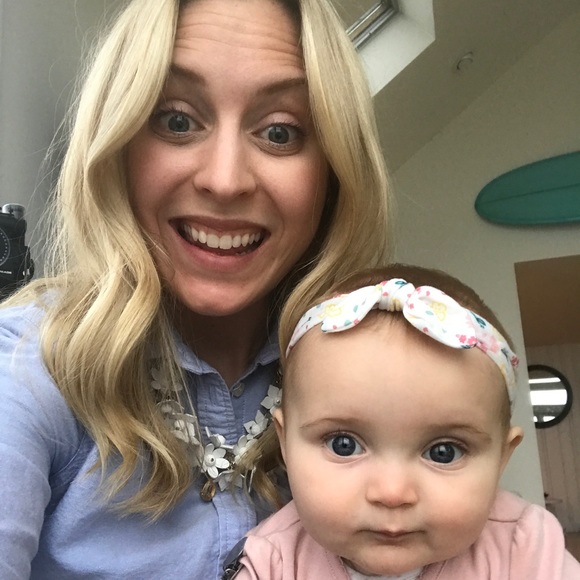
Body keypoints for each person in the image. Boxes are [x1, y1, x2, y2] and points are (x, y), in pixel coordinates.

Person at [0, 0, 391, 578]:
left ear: (334, 173)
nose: (224, 180)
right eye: (178, 121)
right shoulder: (27, 368)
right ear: (118, 146)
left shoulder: (380, 369)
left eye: (279, 132)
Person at [232, 264, 580, 579]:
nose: (392, 493)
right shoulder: (271, 562)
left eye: (444, 452)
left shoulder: (526, 548)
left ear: (501, 458)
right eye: (344, 444)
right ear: (285, 444)